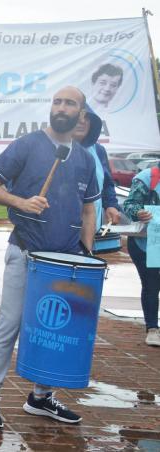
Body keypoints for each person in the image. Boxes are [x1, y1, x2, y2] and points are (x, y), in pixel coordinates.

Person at [0, 86, 99, 430]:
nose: (62, 107)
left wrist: (86, 254)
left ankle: (41, 397)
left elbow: (88, 209)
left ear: (81, 113)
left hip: (65, 262)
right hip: (26, 252)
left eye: (70, 103)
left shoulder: (85, 159)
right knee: (11, 324)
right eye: (58, 101)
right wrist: (21, 202)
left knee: (52, 328)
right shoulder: (27, 144)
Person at [122, 161, 160, 346]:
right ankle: (152, 328)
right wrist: (140, 212)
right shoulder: (148, 177)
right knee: (152, 283)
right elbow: (129, 205)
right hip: (148, 241)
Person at [71, 106, 122, 233]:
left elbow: (107, 184)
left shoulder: (98, 150)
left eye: (87, 118)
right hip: (60, 230)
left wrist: (110, 205)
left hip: (92, 227)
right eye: (77, 117)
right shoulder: (52, 148)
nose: (82, 121)